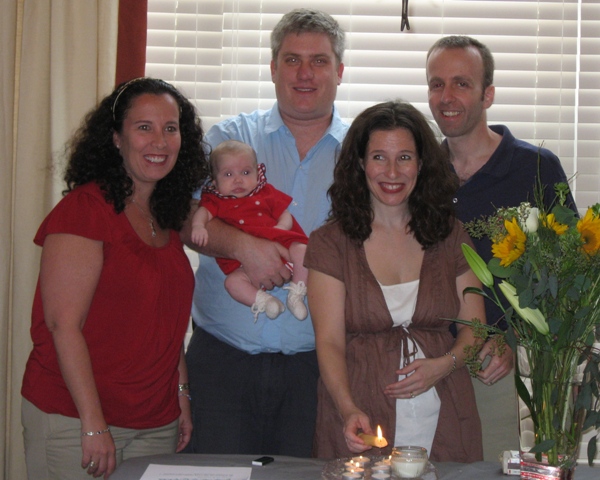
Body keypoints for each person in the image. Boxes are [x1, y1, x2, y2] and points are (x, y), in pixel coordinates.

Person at [21, 77, 208, 479]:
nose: (159, 141)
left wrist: (181, 395)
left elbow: (164, 321)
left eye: (170, 128)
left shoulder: (165, 215)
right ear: (116, 138)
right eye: (144, 127)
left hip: (156, 422)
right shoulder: (85, 210)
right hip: (76, 421)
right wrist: (93, 424)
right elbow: (63, 325)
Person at [182, 8, 348, 457]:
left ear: (339, 71)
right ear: (274, 68)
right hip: (221, 363)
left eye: (319, 61)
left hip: (318, 369)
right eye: (292, 60)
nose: (305, 73)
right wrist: (243, 246)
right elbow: (182, 217)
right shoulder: (229, 138)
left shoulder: (363, 152)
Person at [306, 100, 485, 462]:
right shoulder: (330, 243)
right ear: (360, 163)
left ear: (421, 163)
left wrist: (444, 364)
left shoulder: (451, 235)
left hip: (447, 411)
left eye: (404, 157)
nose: (392, 172)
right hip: (361, 413)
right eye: (379, 157)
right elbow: (329, 342)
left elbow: (476, 328)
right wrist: (347, 408)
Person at [426, 35, 576, 459]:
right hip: (426, 359)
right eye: (436, 84)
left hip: (495, 369)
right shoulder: (417, 173)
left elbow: (566, 278)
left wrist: (514, 340)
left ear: (487, 94)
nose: (446, 97)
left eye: (461, 83)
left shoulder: (535, 168)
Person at [191, 140, 310, 322]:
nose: (238, 179)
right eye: (228, 174)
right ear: (215, 182)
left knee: (303, 251)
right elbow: (203, 213)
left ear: (256, 173)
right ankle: (265, 302)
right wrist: (198, 226)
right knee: (232, 283)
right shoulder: (216, 200)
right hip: (243, 264)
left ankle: (296, 294)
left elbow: (284, 214)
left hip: (279, 242)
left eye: (246, 172)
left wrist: (281, 228)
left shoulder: (265, 192)